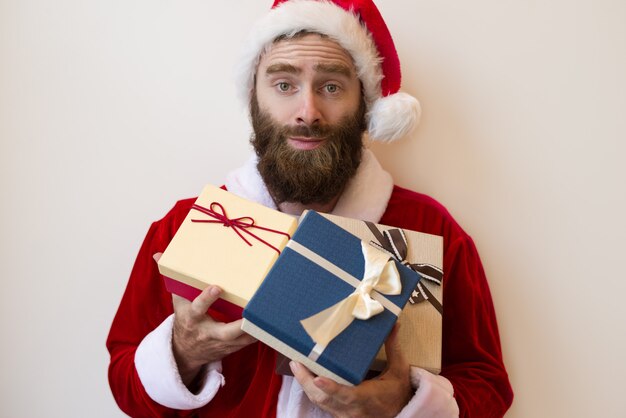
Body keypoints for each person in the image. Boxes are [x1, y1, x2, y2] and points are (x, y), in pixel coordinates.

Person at [107, 0, 514, 417]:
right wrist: (183, 351)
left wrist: (405, 404)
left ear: (365, 103)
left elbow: (487, 386)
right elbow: (126, 386)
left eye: (331, 87)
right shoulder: (187, 225)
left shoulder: (432, 230)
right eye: (284, 85)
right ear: (254, 97)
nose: (308, 113)